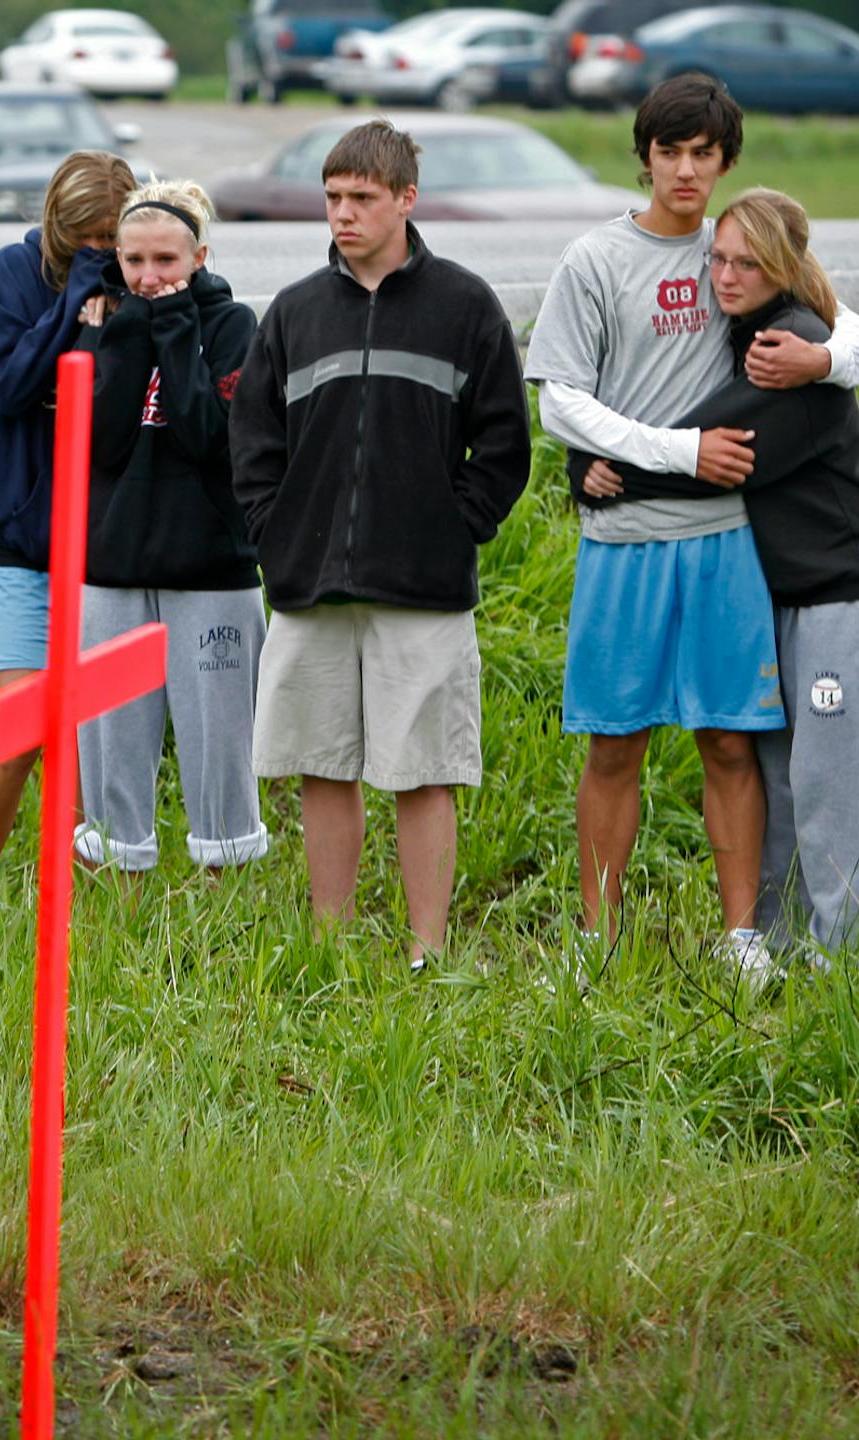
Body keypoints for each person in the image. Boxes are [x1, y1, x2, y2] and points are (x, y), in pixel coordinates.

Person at [521, 74, 859, 983]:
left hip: (727, 541)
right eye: (669, 152)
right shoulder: (595, 259)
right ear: (644, 156)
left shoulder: (740, 247)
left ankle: (743, 942)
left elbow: (856, 333)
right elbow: (560, 400)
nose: (685, 169)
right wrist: (667, 452)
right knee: (616, 745)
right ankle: (594, 940)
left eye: (703, 154)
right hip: (626, 540)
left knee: (729, 741)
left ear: (726, 162)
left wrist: (828, 356)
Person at [571, 189, 859, 957]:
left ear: (782, 267)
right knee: (783, 775)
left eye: (746, 263)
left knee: (837, 784)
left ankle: (845, 966)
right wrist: (588, 457)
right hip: (781, 590)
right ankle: (789, 950)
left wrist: (602, 464)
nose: (724, 275)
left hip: (842, 588)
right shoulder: (751, 330)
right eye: (717, 259)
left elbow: (713, 456)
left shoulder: (788, 343)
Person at [229, 120, 531, 969]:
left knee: (422, 770)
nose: (343, 214)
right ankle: (330, 943)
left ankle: (425, 951)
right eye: (332, 198)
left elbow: (505, 445)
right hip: (309, 584)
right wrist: (274, 532)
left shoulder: (466, 306)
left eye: (362, 198)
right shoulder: (293, 311)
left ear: (406, 198)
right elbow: (252, 443)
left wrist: (452, 524)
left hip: (424, 586)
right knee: (321, 764)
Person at [69, 179, 268, 874]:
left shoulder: (234, 326)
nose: (150, 277)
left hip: (211, 567)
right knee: (108, 746)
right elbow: (103, 443)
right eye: (135, 261)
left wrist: (177, 325)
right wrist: (123, 331)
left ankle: (226, 900)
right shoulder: (105, 323)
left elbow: (208, 435)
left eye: (167, 262)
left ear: (200, 257)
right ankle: (117, 910)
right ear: (117, 259)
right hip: (114, 566)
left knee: (221, 749)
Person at [0, 149, 135, 895]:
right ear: (57, 229)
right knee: (17, 732)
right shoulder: (12, 273)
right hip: (18, 538)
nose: (98, 254)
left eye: (109, 239)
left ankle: (96, 908)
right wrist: (73, 305)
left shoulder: (139, 277)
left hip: (104, 544)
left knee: (101, 741)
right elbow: (14, 383)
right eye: (82, 240)